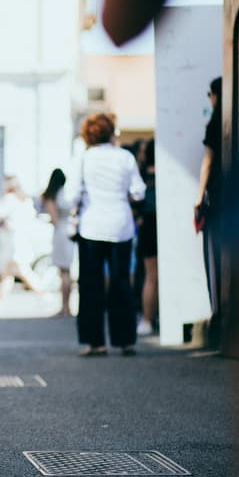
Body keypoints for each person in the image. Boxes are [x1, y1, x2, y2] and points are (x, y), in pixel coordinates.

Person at [68, 113, 146, 356]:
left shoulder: (84, 158)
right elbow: (139, 191)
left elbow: (71, 194)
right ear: (111, 132)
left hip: (92, 226)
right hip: (121, 225)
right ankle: (125, 340)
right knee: (121, 282)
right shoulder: (125, 157)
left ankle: (95, 342)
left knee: (90, 285)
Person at [195, 77, 222, 349]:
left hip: (218, 197)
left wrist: (198, 195)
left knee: (215, 258)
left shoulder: (216, 122)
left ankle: (220, 315)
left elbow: (208, 161)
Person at [0, 175, 44, 300]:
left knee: (22, 270)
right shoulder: (26, 200)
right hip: (22, 238)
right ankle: (0, 298)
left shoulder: (9, 199)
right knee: (7, 272)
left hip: (11, 240)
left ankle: (43, 293)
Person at [40, 168, 74, 317]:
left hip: (60, 231)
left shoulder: (51, 196)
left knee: (64, 272)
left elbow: (54, 219)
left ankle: (65, 307)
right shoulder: (66, 195)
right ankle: (67, 307)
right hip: (70, 231)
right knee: (68, 271)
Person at [136, 139, 157, 335]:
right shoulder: (167, 176)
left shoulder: (141, 176)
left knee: (150, 276)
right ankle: (158, 317)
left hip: (147, 227)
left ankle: (147, 320)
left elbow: (135, 202)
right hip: (167, 225)